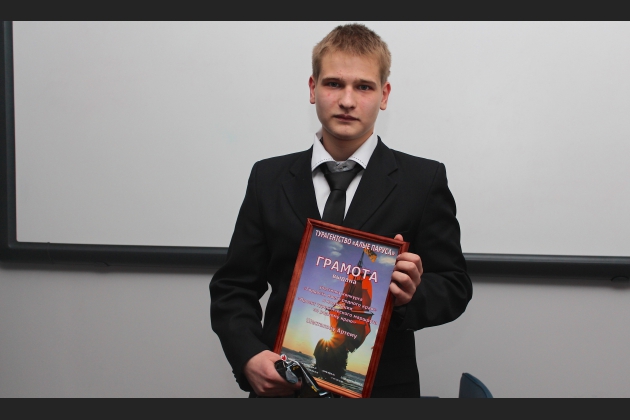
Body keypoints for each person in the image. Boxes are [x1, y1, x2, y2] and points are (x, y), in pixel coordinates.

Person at [210, 23, 472, 398]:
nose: (347, 100)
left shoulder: (422, 180)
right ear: (312, 88)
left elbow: (455, 285)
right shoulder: (268, 178)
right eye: (334, 83)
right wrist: (249, 356)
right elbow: (233, 287)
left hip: (382, 391)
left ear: (384, 95)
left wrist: (411, 294)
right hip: (282, 390)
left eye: (363, 87)